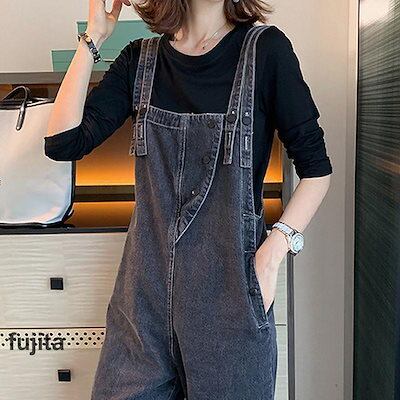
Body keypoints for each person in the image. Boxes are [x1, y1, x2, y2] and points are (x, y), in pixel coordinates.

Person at [44, 0, 333, 398]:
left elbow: (316, 170)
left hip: (231, 298)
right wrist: (93, 38)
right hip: (142, 303)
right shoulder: (139, 61)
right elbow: (63, 143)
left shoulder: (266, 51)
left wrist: (273, 253)